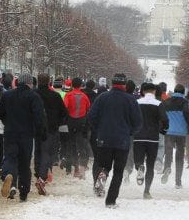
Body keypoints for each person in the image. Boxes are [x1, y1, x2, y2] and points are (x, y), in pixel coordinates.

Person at [88, 73, 142, 208]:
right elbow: (138, 122)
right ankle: (111, 201)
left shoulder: (102, 97)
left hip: (104, 138)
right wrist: (130, 132)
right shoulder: (130, 100)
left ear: (112, 83)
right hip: (122, 140)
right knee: (118, 171)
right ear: (124, 84)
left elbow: (91, 116)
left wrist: (99, 129)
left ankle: (103, 173)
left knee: (105, 165)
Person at [0, 70, 46, 202]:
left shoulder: (7, 95)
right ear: (30, 83)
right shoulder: (34, 97)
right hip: (26, 134)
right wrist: (40, 133)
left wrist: (7, 121)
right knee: (24, 163)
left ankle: (9, 175)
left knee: (10, 158)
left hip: (10, 132)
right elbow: (39, 117)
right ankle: (23, 192)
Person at [34, 73, 66, 195]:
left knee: (37, 152)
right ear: (49, 82)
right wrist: (57, 122)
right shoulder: (55, 96)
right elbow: (64, 113)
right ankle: (42, 177)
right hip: (51, 129)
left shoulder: (34, 94)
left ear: (38, 81)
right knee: (46, 153)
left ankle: (38, 175)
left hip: (35, 128)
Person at [132, 82, 164, 199]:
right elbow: (164, 119)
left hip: (139, 137)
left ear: (143, 91)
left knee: (138, 160)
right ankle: (146, 191)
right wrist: (163, 130)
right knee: (150, 165)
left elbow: (132, 117)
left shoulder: (137, 103)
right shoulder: (158, 104)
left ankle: (139, 167)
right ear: (154, 91)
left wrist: (133, 130)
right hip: (153, 138)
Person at [160, 84, 189, 188]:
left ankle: (167, 168)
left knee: (168, 153)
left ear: (174, 91)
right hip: (181, 133)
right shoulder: (185, 102)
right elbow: (188, 115)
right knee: (179, 156)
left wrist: (163, 128)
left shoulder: (166, 102)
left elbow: (162, 116)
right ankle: (178, 182)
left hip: (169, 132)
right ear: (183, 93)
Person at [63, 77, 92, 178]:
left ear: (71, 85)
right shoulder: (84, 96)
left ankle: (74, 168)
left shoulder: (68, 95)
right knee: (82, 145)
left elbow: (65, 107)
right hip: (82, 122)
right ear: (81, 85)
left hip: (71, 122)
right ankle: (82, 169)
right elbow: (88, 108)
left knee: (71, 144)